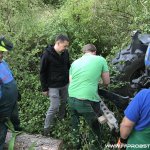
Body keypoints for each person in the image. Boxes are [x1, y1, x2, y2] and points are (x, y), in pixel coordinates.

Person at [68, 44, 110, 149]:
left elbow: (72, 81)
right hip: (87, 100)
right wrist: (97, 81)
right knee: (95, 128)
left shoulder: (74, 63)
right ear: (94, 52)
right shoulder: (100, 60)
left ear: (84, 52)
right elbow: (106, 82)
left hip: (71, 98)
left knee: (75, 127)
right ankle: (95, 147)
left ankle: (76, 145)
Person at [40, 34, 70, 136]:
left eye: (66, 46)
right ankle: (46, 129)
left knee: (64, 102)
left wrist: (69, 79)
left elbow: (68, 66)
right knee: (54, 106)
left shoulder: (65, 53)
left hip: (65, 84)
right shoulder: (47, 55)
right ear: (58, 43)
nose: (65, 48)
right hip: (53, 86)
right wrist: (44, 88)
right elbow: (42, 72)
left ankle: (61, 119)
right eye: (64, 46)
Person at [0, 36, 20, 149]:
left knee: (15, 118)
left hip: (12, 102)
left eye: (2, 52)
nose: (1, 55)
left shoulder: (3, 63)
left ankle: (17, 131)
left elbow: (10, 77)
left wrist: (16, 92)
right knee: (2, 130)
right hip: (2, 108)